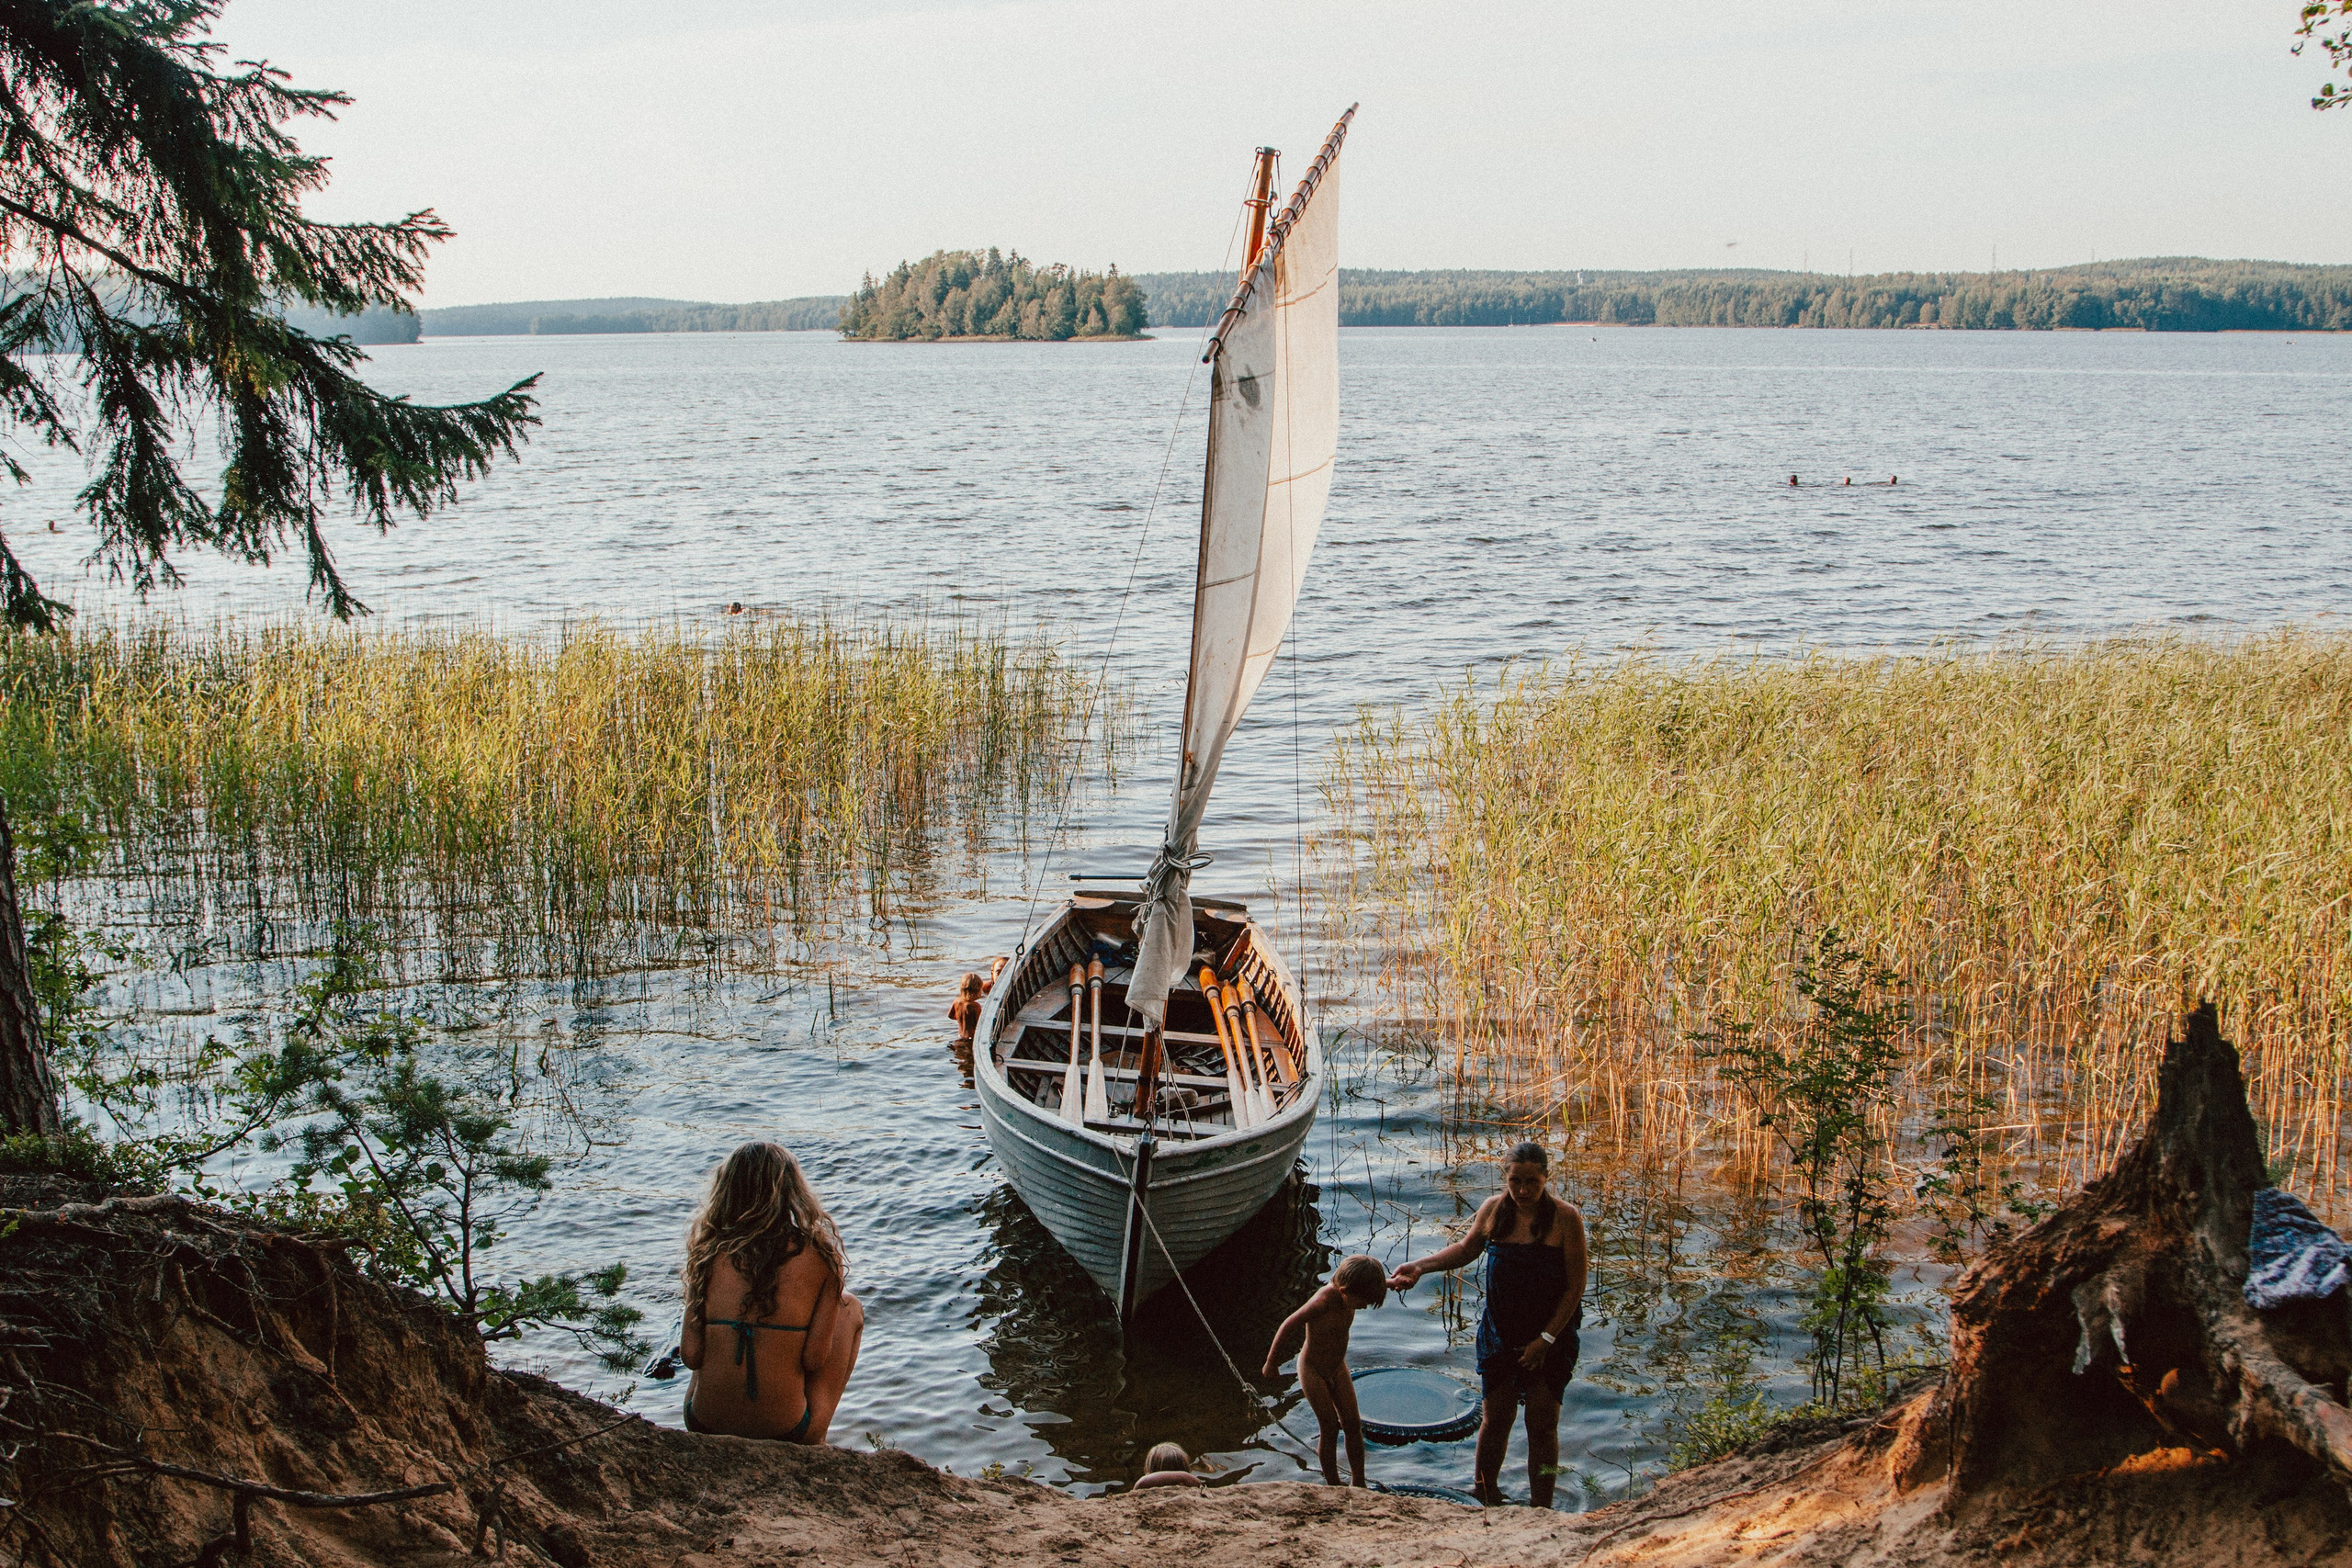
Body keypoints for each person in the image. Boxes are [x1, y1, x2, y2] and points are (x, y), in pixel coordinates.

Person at [1388, 1143, 1588, 1508]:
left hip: (1551, 1336)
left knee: (1542, 1426)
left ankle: (1542, 1506)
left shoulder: (1565, 1218)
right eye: (1515, 1181)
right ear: (1504, 1177)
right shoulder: (1494, 1210)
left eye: (1532, 1182)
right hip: (1499, 1333)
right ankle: (1484, 1494)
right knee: (1495, 1420)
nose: (1523, 1191)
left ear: (1547, 1177)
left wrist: (1545, 1340)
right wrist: (1420, 1266)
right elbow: (1465, 1250)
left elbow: (1575, 1287)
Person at [681, 1141, 863, 1443]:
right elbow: (814, 1360)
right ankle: (815, 1443)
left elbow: (690, 1354)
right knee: (850, 1308)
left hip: (703, 1424)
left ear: (726, 1190)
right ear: (793, 1191)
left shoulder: (707, 1252)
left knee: (713, 1325)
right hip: (787, 1431)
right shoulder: (821, 1256)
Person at [1262, 1254, 1387, 1487]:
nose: (1363, 1307)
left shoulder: (1350, 1292)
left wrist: (1390, 1283)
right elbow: (1289, 1324)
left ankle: (1359, 1482)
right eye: (1362, 1302)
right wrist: (1272, 1362)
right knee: (1330, 1427)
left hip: (1337, 1366)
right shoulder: (1322, 1302)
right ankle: (1333, 1483)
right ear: (1344, 1291)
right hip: (1313, 1370)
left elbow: (1367, 1289)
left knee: (1352, 1424)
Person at [1133, 1441, 1204, 1491]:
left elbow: (1142, 1483)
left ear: (1147, 1472)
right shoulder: (1193, 1484)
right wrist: (1184, 1477)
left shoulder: (1142, 1486)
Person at [949, 972, 987, 1044]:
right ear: (977, 991)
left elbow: (950, 1015)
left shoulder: (956, 1001)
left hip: (960, 1036)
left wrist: (962, 1018)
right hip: (971, 1039)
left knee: (960, 1055)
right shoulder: (975, 1006)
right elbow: (980, 1025)